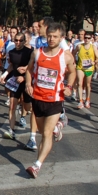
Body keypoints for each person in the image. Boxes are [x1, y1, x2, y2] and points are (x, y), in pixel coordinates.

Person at [24, 22, 76, 178]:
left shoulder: (66, 56)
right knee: (41, 132)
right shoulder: (37, 53)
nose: (51, 39)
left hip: (55, 99)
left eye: (55, 37)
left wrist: (69, 86)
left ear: (61, 38)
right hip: (38, 98)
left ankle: (36, 165)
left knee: (46, 133)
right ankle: (59, 126)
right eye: (49, 36)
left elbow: (72, 72)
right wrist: (28, 82)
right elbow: (29, 69)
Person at [0, 33, 33, 140]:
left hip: (27, 81)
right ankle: (11, 130)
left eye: (20, 40)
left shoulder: (29, 52)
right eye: (16, 40)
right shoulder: (12, 52)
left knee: (28, 107)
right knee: (12, 106)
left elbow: (33, 67)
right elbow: (12, 65)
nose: (18, 43)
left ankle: (29, 114)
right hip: (15, 81)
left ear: (24, 41)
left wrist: (24, 77)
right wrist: (5, 74)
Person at [74, 31, 98, 109]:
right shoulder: (79, 46)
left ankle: (88, 100)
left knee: (88, 84)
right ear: (84, 38)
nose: (87, 39)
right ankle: (80, 101)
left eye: (89, 38)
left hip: (89, 68)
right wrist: (74, 62)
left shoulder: (93, 47)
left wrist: (94, 62)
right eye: (85, 38)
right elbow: (73, 53)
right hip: (80, 67)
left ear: (91, 38)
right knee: (79, 83)